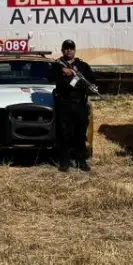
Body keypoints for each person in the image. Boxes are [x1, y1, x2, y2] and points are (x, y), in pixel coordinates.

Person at [50, 39, 96, 172]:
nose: (69, 50)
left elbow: (92, 81)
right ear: (62, 50)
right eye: (66, 48)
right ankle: (65, 161)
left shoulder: (83, 66)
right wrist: (63, 71)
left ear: (75, 50)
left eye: (71, 48)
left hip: (79, 104)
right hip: (64, 104)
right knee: (64, 134)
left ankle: (81, 161)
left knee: (80, 133)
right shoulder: (57, 65)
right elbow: (50, 77)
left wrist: (85, 84)